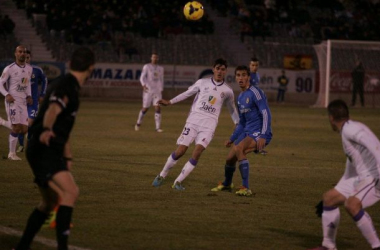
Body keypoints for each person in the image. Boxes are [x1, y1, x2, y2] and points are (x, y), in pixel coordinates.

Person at [14, 47, 95, 250]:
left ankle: (23, 246)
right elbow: (53, 110)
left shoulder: (69, 84)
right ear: (91, 68)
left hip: (42, 147)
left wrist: (67, 156)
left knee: (49, 203)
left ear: (69, 64)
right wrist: (48, 129)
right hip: (43, 147)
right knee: (70, 192)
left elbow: (62, 126)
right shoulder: (67, 86)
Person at [152, 58, 239, 190]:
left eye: (222, 69)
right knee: (180, 151)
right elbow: (187, 93)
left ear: (226, 71)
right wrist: (170, 102)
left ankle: (178, 182)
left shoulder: (227, 91)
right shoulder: (202, 83)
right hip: (193, 121)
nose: (220, 71)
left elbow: (232, 109)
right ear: (213, 69)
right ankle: (162, 175)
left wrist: (237, 122)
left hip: (209, 125)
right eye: (218, 68)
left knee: (197, 152)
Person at [308, 99, 380, 250]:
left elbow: (375, 146)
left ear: (331, 118)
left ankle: (376, 245)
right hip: (363, 176)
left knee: (352, 204)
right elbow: (353, 165)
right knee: (329, 198)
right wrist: (341, 188)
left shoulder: (351, 130)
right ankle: (328, 246)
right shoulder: (350, 127)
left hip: (374, 177)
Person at [211, 65, 272, 196]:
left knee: (239, 149)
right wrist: (232, 138)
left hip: (259, 131)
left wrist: (263, 135)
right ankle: (227, 184)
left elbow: (266, 113)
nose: (241, 78)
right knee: (229, 159)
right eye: (238, 75)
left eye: (244, 75)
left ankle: (246, 187)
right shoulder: (240, 97)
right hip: (247, 131)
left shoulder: (256, 92)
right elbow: (242, 122)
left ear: (249, 77)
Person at [0, 45, 33, 160]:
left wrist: (29, 95)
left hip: (23, 101)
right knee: (16, 127)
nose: (22, 54)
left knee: (24, 130)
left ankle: (2, 122)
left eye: (24, 52)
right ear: (15, 54)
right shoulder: (9, 69)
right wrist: (7, 94)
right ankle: (11, 154)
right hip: (12, 101)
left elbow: (27, 83)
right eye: (20, 52)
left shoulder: (29, 68)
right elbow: (0, 83)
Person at [17, 50, 48, 153]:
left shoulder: (37, 70)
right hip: (21, 102)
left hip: (33, 102)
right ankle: (21, 146)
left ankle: (29, 141)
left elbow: (45, 80)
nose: (26, 59)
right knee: (21, 125)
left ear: (30, 58)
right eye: (25, 57)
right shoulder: (18, 70)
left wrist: (43, 94)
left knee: (30, 123)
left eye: (28, 58)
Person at [135, 53, 164, 132]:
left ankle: (157, 128)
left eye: (156, 57)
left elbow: (161, 79)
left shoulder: (160, 68)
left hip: (157, 91)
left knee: (158, 108)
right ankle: (138, 123)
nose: (154, 58)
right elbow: (142, 77)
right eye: (153, 57)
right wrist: (143, 85)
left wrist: (161, 88)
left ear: (157, 58)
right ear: (151, 58)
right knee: (145, 108)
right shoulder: (147, 67)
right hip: (148, 90)